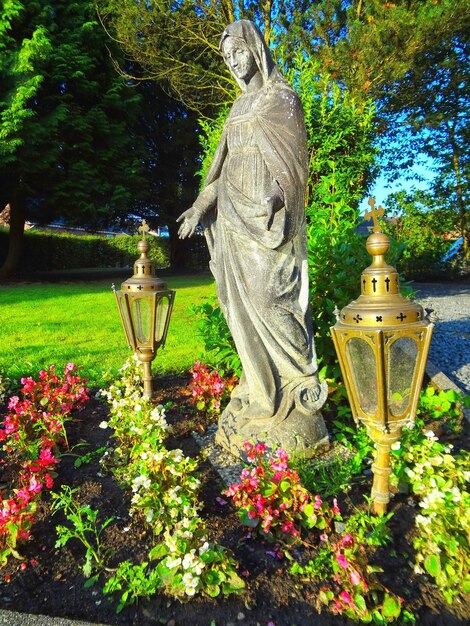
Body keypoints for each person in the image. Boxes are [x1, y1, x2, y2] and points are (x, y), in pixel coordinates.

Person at [178, 20, 328, 458]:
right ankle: (260, 387)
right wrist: (200, 206)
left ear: (256, 50)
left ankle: (299, 387)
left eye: (237, 53)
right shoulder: (236, 109)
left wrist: (278, 197)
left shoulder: (282, 100)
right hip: (232, 221)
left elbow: (295, 167)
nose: (233, 62)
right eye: (226, 58)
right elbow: (220, 171)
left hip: (267, 223)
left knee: (269, 299)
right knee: (238, 306)